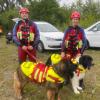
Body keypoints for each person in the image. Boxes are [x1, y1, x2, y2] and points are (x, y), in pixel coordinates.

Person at [61, 11, 87, 88]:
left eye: (77, 19)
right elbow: (63, 41)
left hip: (77, 53)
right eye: (74, 19)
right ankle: (67, 79)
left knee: (79, 67)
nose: (75, 20)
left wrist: (81, 53)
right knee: (67, 66)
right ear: (71, 20)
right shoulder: (68, 30)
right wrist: (62, 51)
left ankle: (80, 82)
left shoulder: (81, 30)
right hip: (68, 52)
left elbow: (84, 42)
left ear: (78, 20)